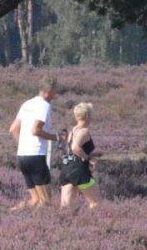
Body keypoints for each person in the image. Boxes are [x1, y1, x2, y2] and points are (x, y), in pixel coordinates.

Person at [8, 79, 58, 211]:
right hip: (36, 156)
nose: (56, 94)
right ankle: (41, 228)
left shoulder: (26, 104)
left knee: (35, 200)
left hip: (22, 156)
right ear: (48, 91)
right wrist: (56, 137)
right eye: (55, 91)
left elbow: (13, 129)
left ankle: (11, 213)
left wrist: (24, 145)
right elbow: (36, 130)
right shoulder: (44, 105)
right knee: (46, 202)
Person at [56, 101, 100, 210]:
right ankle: (95, 225)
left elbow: (68, 149)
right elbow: (75, 147)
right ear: (88, 116)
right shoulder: (84, 131)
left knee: (66, 207)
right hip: (80, 171)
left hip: (66, 170)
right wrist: (88, 158)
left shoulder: (71, 132)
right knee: (95, 203)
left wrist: (93, 154)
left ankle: (64, 225)